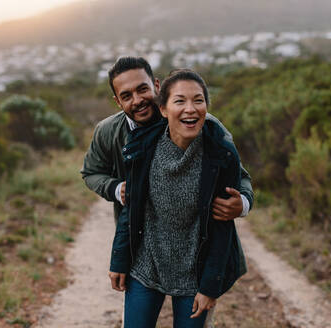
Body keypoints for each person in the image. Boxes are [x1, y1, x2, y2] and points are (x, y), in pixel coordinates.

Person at [109, 69, 248, 327]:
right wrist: (118, 260)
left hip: (195, 272)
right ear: (163, 109)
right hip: (146, 263)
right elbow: (132, 208)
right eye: (179, 101)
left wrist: (210, 286)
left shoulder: (221, 153)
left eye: (198, 100)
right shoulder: (143, 146)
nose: (190, 109)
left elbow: (221, 228)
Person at [80, 57, 253, 226]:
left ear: (156, 86)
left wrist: (242, 204)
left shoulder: (201, 124)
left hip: (201, 240)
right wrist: (117, 189)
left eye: (142, 89)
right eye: (126, 96)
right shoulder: (107, 131)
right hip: (139, 240)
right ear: (118, 101)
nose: (138, 100)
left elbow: (240, 175)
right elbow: (91, 173)